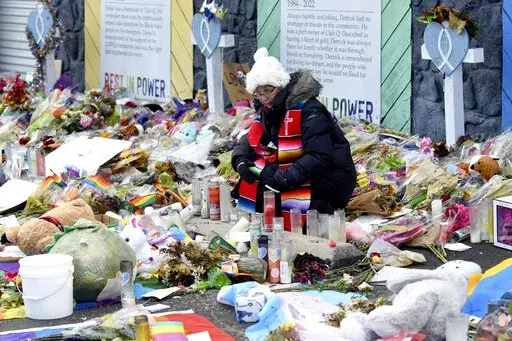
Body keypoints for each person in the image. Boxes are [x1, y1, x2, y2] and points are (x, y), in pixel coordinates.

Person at [231, 48, 357, 231]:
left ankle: (302, 224)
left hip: (330, 176)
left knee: (277, 192)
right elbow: (251, 138)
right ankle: (259, 228)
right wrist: (240, 159)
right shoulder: (269, 107)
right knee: (258, 178)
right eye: (258, 93)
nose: (263, 97)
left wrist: (284, 179)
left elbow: (319, 156)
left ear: (280, 86)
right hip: (301, 168)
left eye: (267, 90)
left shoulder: (309, 110)